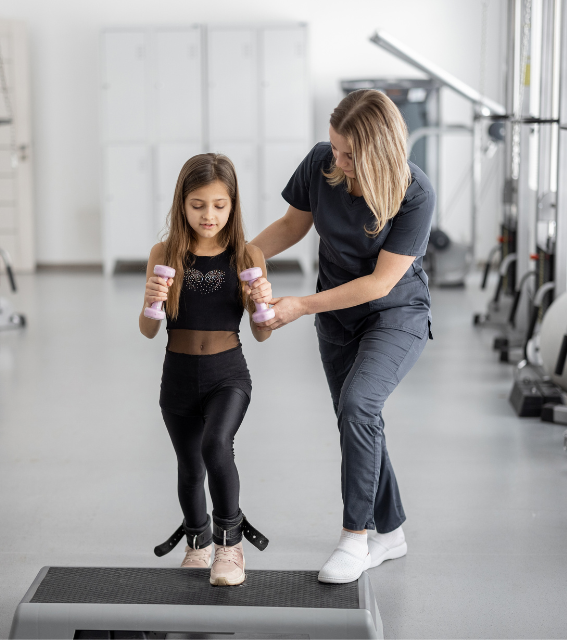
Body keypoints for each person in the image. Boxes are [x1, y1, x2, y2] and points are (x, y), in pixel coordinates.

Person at [249, 89, 434, 584]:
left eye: (350, 154)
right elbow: (292, 225)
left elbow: (380, 283)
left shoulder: (415, 193)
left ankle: (356, 538)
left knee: (358, 407)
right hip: (337, 316)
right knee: (357, 417)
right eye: (335, 147)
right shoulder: (322, 164)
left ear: (380, 152)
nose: (338, 160)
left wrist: (299, 306)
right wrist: (246, 255)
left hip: (395, 314)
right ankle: (390, 531)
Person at [140, 153, 272, 586]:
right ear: (182, 203)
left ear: (232, 205)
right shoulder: (165, 253)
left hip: (228, 374)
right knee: (189, 466)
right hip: (177, 376)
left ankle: (229, 546)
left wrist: (260, 303)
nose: (209, 215)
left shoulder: (246, 254)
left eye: (219, 205)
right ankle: (196, 544)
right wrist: (151, 297)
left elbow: (262, 334)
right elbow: (147, 329)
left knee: (217, 444)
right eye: (198, 205)